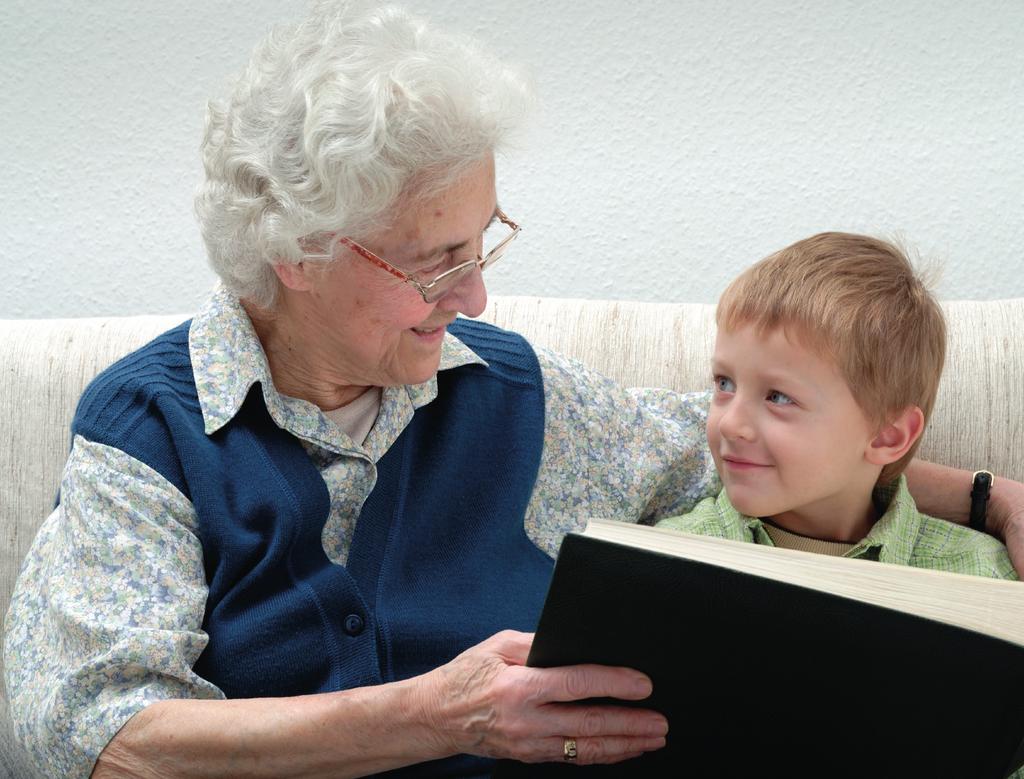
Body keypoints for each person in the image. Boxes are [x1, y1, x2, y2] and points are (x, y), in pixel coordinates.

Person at [3, 6, 1023, 779]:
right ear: (298, 255)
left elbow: (723, 440)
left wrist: (990, 498)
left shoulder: (510, 391)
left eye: (482, 238)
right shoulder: (152, 429)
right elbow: (89, 730)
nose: (478, 291)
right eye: (436, 258)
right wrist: (436, 712)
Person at [657, 232, 1017, 583]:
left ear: (887, 435)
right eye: (725, 384)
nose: (730, 424)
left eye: (778, 397)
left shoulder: (982, 576)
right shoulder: (665, 559)